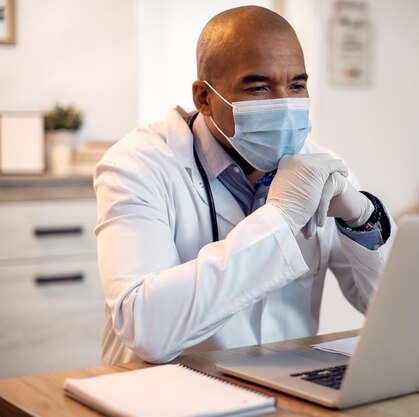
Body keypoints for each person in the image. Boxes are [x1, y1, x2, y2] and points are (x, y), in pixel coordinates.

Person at [94, 6, 396, 365]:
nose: (285, 103)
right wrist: (281, 217)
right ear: (204, 98)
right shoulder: (137, 165)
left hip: (285, 387)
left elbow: (393, 313)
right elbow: (146, 329)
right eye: (259, 87)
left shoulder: (324, 166)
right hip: (167, 393)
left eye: (297, 85)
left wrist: (362, 219)